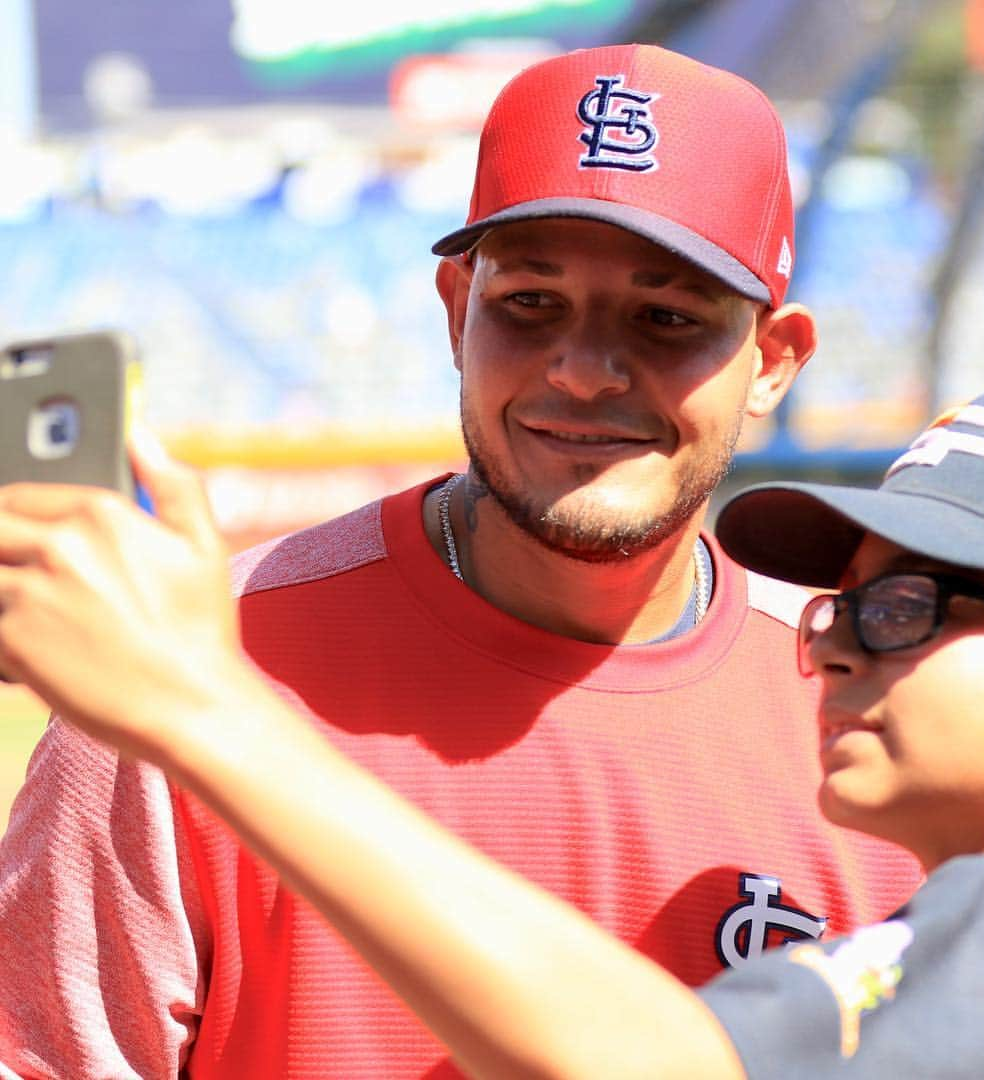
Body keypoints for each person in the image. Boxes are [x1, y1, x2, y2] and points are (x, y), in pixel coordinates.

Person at [0, 44, 922, 1078]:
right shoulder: (184, 675)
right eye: (529, 303)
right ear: (455, 310)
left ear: (775, 362)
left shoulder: (871, 715)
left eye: (667, 318)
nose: (581, 372)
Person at [0, 382, 984, 1079]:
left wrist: (202, 711)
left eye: (910, 610)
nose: (836, 647)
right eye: (848, 607)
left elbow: (660, 1067)